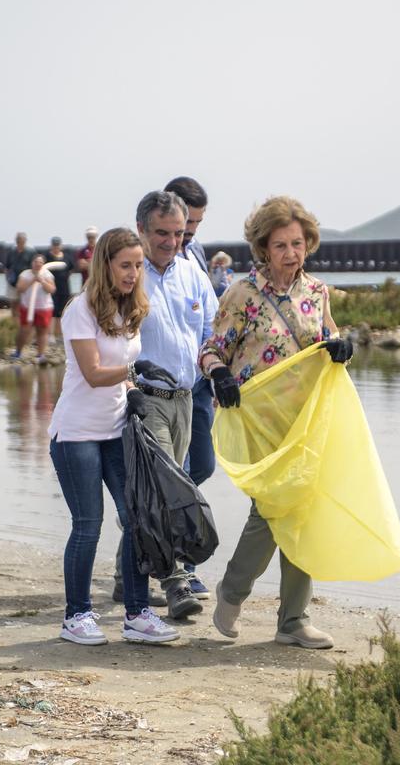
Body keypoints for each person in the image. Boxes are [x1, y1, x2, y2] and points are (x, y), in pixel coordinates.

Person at [198, 196, 352, 650]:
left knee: (303, 513)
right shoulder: (242, 293)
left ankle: (293, 621)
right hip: (259, 420)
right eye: (281, 244)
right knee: (271, 511)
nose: (291, 252)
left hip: (307, 420)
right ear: (263, 247)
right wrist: (219, 373)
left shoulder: (317, 292)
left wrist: (344, 346)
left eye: (298, 243)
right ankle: (233, 592)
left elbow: (329, 338)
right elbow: (211, 350)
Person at [47, 226, 180, 646]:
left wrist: (134, 393)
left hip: (116, 431)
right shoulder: (80, 310)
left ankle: (137, 615)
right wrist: (132, 374)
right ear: (105, 264)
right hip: (76, 434)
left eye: (138, 266)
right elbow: (91, 373)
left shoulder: (130, 308)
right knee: (88, 525)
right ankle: (76, 616)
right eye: (126, 265)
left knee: (136, 518)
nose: (133, 273)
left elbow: (120, 374)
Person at [114, 190, 217, 620]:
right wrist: (127, 386)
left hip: (185, 400)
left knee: (149, 496)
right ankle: (176, 582)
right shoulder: (125, 275)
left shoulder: (192, 272)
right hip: (144, 399)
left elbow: (212, 329)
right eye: (162, 233)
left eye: (178, 233)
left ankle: (125, 577)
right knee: (165, 490)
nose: (171, 241)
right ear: (141, 229)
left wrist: (219, 374)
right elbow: (107, 340)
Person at [163, 176, 219, 596]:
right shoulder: (141, 255)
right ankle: (175, 567)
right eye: (187, 224)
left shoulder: (195, 254)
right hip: (158, 390)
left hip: (198, 384)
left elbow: (209, 320)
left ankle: (160, 543)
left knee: (201, 466)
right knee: (168, 479)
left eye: (197, 224)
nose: (191, 234)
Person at [14, 254, 55, 363]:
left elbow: (51, 289)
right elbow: (20, 288)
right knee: (24, 330)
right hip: (27, 307)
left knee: (42, 331)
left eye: (40, 262)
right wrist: (32, 280)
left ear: (43, 264)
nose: (38, 264)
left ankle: (40, 355)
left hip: (44, 307)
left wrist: (42, 281)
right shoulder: (25, 274)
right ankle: (18, 352)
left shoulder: (47, 274)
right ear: (32, 263)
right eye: (36, 262)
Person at [166, 176, 208, 271]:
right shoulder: (154, 255)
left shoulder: (196, 248)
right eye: (188, 222)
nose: (192, 230)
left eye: (198, 222)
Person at [4, 232, 36, 326]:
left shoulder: (31, 252)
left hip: (26, 283)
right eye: (18, 241)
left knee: (25, 304)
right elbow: (7, 267)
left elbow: (34, 267)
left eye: (22, 241)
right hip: (13, 282)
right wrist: (8, 279)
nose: (20, 243)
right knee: (14, 303)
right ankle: (15, 323)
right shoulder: (11, 252)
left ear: (25, 241)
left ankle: (26, 323)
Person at [45, 236, 72, 341]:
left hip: (64, 288)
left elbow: (70, 270)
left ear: (61, 246)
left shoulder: (67, 257)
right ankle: (50, 335)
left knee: (63, 312)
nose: (56, 247)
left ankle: (60, 334)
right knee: (52, 312)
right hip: (52, 288)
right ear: (51, 245)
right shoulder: (47, 256)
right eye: (54, 245)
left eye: (58, 245)